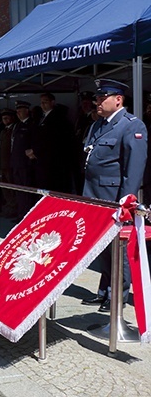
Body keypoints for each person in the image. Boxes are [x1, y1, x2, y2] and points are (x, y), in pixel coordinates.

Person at [81, 79, 148, 312]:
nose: (97, 102)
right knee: (101, 247)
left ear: (118, 100)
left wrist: (126, 200)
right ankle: (103, 290)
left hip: (114, 197)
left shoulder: (132, 125)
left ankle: (118, 294)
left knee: (117, 248)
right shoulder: (97, 125)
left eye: (102, 98)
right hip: (94, 195)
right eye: (96, 99)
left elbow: (134, 167)